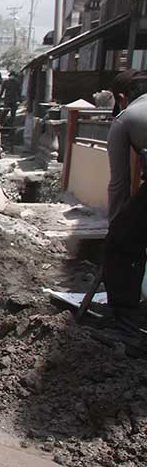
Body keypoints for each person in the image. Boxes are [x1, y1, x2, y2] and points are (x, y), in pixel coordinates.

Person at [102, 70, 147, 316]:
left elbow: (119, 183)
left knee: (121, 241)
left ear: (121, 97)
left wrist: (115, 226)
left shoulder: (125, 118)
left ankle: (123, 312)